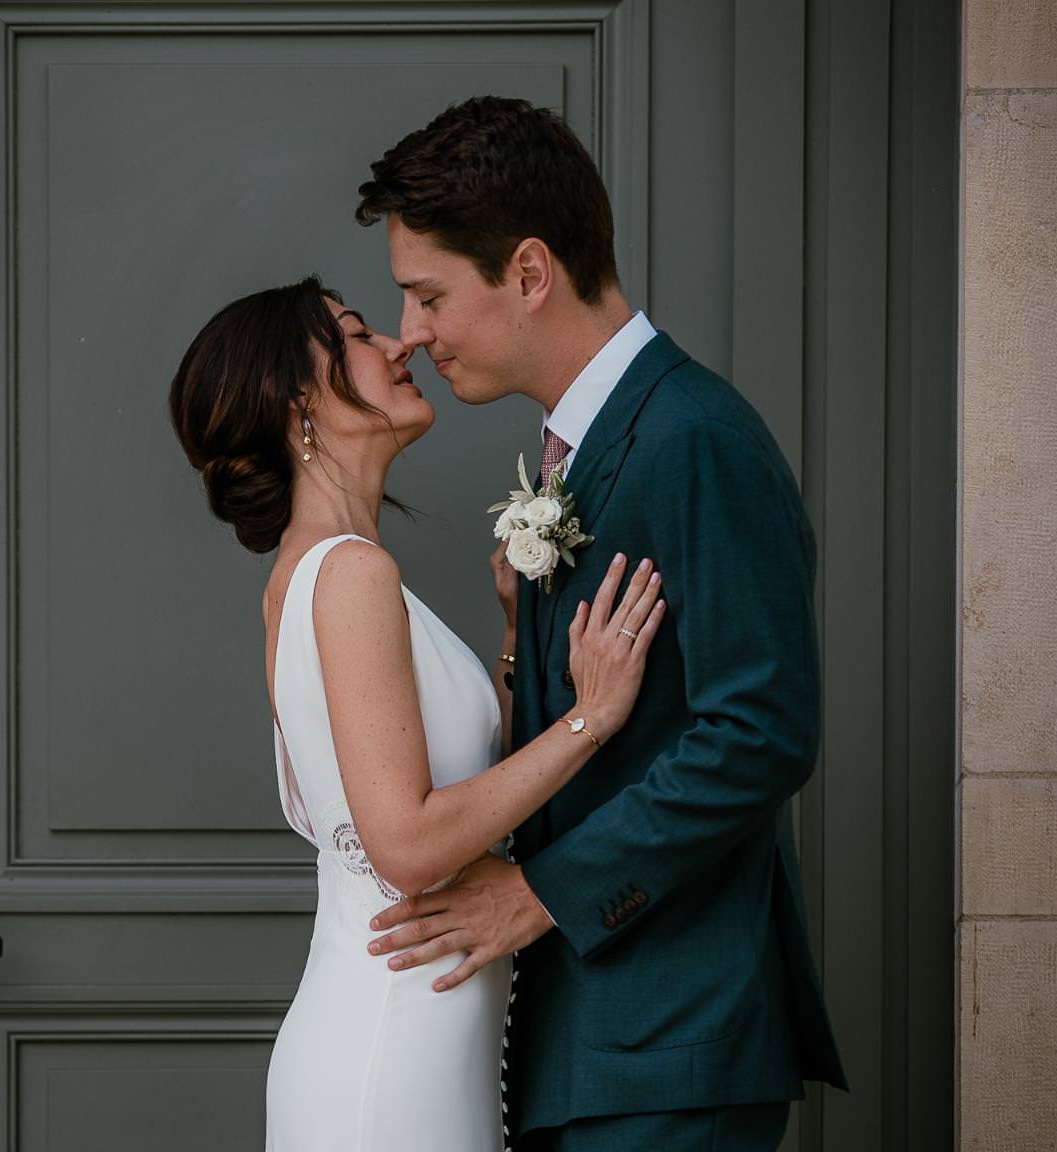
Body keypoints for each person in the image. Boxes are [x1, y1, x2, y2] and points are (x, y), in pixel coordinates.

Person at [353, 96, 849, 1151]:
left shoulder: (698, 436)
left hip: (671, 1039)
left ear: (529, 273)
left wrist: (537, 894)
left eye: (429, 296)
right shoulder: (581, 446)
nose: (413, 334)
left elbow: (760, 730)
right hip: (586, 1049)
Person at [168, 275, 668, 1150]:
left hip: (418, 1037)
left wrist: (515, 637)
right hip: (390, 1054)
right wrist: (593, 717)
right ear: (299, 400)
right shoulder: (351, 575)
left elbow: (453, 796)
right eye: (358, 334)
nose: (400, 346)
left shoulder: (316, 574)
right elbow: (406, 847)